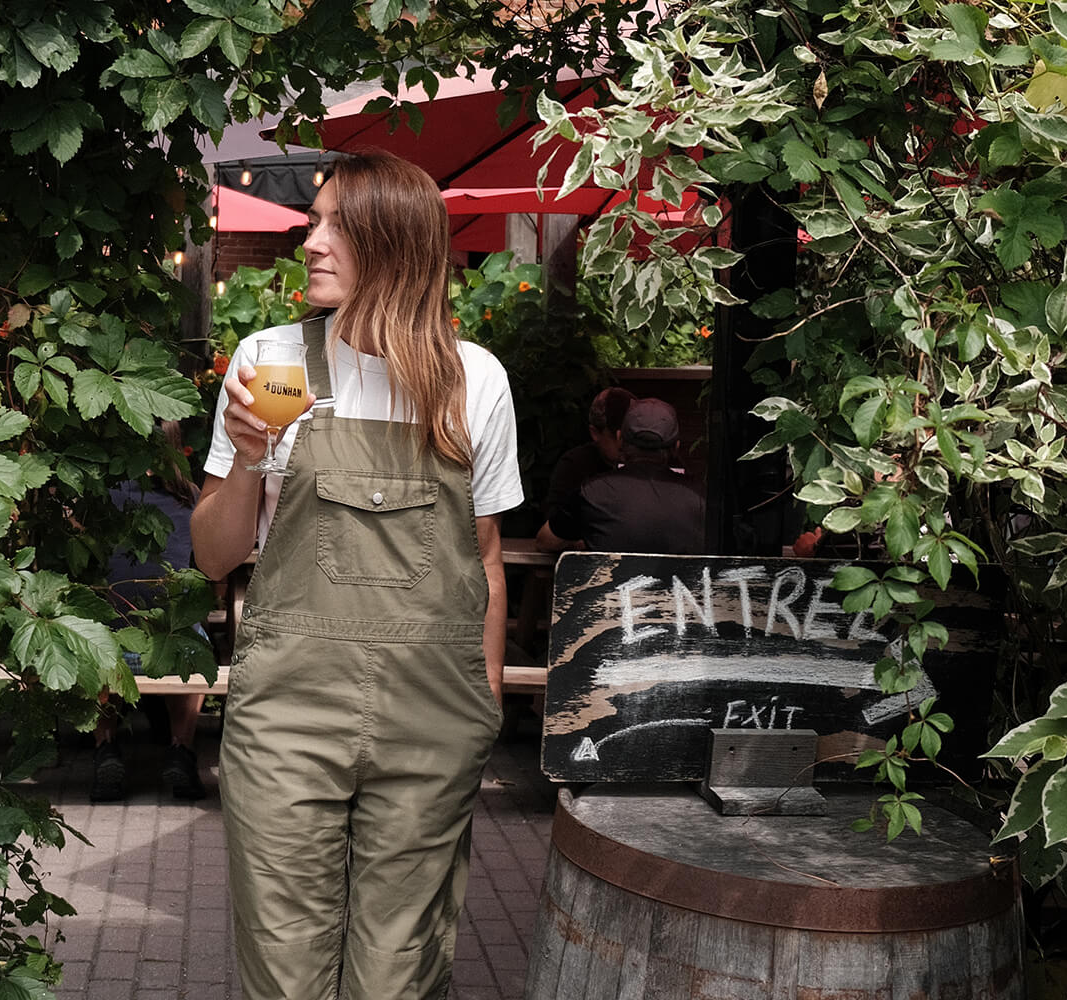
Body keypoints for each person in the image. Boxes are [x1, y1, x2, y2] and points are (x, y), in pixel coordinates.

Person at [191, 151, 523, 999]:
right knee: (285, 966)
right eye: (314, 219)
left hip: (431, 719)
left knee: (397, 974)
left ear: (397, 244)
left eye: (338, 224)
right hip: (289, 715)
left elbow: (483, 553)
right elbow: (212, 555)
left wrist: (483, 698)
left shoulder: (471, 379)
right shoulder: (273, 362)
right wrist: (247, 462)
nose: (312, 240)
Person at [92, 424, 208, 802]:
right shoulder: (190, 496)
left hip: (113, 653)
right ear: (175, 446)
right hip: (174, 651)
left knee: (93, 636)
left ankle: (105, 747)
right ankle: (181, 749)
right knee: (194, 640)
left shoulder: (100, 495)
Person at [536, 397, 705, 554]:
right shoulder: (702, 499)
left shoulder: (592, 492)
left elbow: (545, 542)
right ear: (676, 446)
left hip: (610, 587)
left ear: (619, 439)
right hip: (680, 587)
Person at [540, 386, 635, 521]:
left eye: (630, 436)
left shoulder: (651, 461)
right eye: (616, 437)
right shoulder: (575, 466)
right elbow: (553, 526)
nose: (623, 445)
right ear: (595, 433)